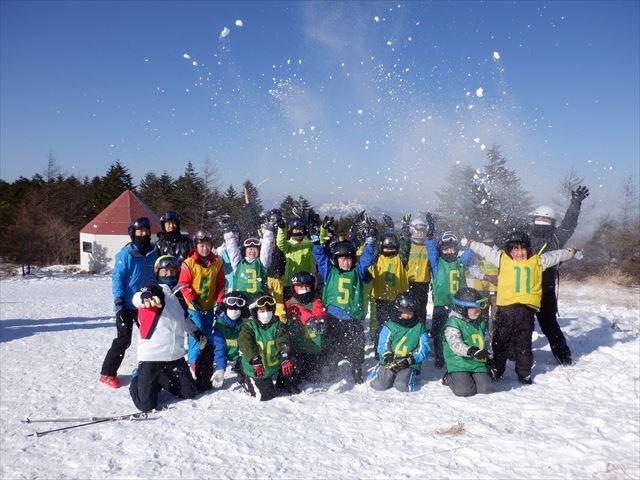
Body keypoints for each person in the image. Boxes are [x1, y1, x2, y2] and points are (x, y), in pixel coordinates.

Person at [469, 231, 580, 384]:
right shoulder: (503, 260)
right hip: (505, 310)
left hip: (525, 312)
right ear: (510, 251)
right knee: (500, 342)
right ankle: (497, 369)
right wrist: (472, 244)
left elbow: (556, 255)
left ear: (528, 249)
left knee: (523, 344)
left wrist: (572, 252)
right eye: (515, 249)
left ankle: (524, 373)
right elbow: (486, 251)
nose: (519, 253)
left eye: (522, 249)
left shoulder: (537, 261)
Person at [129, 255, 204, 411]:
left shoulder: (178, 297)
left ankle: (161, 378)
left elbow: (184, 319)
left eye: (172, 271)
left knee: (189, 392)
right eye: (164, 271)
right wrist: (144, 296)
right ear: (157, 274)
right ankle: (138, 376)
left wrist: (195, 332)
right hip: (152, 356)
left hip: (175, 357)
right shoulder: (155, 291)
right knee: (145, 405)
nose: (169, 274)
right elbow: (137, 298)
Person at [528, 185, 589, 366]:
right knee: (549, 325)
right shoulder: (556, 238)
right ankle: (563, 357)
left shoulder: (524, 236)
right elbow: (569, 224)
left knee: (523, 326)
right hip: (545, 289)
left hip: (525, 289)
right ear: (553, 222)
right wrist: (576, 202)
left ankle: (518, 356)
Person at [99, 217, 158, 389]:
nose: (144, 234)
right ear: (133, 233)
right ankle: (107, 373)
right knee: (123, 339)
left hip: (146, 303)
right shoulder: (126, 254)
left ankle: (148, 369)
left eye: (146, 231)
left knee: (150, 338)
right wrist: (119, 302)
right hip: (126, 304)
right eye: (140, 231)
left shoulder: (154, 252)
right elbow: (118, 278)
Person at [312, 233, 375, 384]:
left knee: (356, 344)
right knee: (332, 344)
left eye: (349, 259)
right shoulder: (329, 272)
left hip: (351, 317)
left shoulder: (357, 272)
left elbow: (366, 260)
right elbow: (321, 259)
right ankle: (332, 366)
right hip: (333, 317)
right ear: (336, 260)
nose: (346, 262)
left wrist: (369, 245)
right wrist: (316, 245)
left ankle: (356, 366)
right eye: (342, 259)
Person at [178, 228, 225, 392]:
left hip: (209, 305)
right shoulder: (189, 263)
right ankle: (193, 362)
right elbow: (183, 284)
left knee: (208, 334)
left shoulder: (217, 262)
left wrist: (219, 300)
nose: (204, 248)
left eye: (207, 245)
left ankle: (206, 362)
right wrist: (192, 300)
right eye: (201, 245)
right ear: (196, 246)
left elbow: (220, 284)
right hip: (194, 307)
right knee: (197, 336)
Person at [426, 216, 474, 369]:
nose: (448, 251)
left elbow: (470, 250)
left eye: (451, 248)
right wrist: (430, 234)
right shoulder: (436, 263)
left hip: (459, 305)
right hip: (441, 304)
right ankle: (440, 355)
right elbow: (430, 249)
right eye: (445, 249)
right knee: (439, 332)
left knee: (459, 330)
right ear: (441, 250)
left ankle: (457, 353)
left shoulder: (460, 262)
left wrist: (471, 234)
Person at [237, 294, 295, 401]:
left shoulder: (277, 324)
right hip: (257, 368)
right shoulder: (249, 327)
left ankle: (282, 383)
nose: (266, 313)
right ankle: (245, 378)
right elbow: (246, 343)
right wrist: (254, 358)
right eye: (262, 311)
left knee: (293, 366)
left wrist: (285, 356)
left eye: (268, 310)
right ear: (255, 312)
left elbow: (283, 340)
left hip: (274, 365)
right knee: (266, 396)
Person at [369, 292, 431, 393]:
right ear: (398, 311)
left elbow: (424, 348)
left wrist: (411, 360)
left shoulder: (419, 327)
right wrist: (387, 355)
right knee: (380, 385)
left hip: (408, 362)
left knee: (402, 386)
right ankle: (379, 371)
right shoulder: (390, 326)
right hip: (390, 360)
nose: (407, 316)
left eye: (410, 313)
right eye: (404, 313)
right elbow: (383, 344)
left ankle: (406, 376)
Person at [442, 287, 495, 397]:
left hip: (477, 362)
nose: (479, 311)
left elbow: (486, 340)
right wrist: (470, 351)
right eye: (475, 308)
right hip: (459, 362)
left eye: (479, 308)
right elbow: (455, 344)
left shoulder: (479, 321)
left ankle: (472, 377)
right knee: (465, 391)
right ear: (463, 308)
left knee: (486, 389)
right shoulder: (453, 322)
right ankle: (449, 378)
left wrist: (489, 356)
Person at [368, 227, 409, 352]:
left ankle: (395, 345)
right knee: (380, 325)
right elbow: (373, 252)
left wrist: (405, 232)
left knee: (396, 324)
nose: (389, 250)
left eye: (392, 248)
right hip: (380, 299)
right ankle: (378, 347)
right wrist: (374, 236)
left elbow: (405, 249)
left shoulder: (400, 259)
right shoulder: (377, 259)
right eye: (386, 248)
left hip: (397, 300)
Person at [285, 271, 326, 383]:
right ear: (294, 288)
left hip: (314, 349)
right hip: (296, 348)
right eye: (300, 287)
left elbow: (319, 309)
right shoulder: (290, 303)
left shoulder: (315, 301)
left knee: (317, 375)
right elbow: (298, 310)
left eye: (306, 287)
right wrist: (309, 319)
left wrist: (319, 318)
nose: (303, 290)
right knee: (297, 373)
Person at [222, 219, 274, 296]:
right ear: (245, 251)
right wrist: (228, 234)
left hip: (257, 300)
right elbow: (232, 250)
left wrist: (269, 232)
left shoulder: (262, 263)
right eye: (249, 249)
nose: (252, 251)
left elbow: (266, 250)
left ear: (259, 251)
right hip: (240, 299)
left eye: (255, 249)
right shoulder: (238, 263)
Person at [468, 228, 499, 345]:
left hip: (497, 290)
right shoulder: (477, 251)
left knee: (497, 318)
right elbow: (473, 270)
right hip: (481, 290)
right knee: (481, 317)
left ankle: (495, 340)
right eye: (485, 232)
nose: (488, 235)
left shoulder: (499, 252)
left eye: (491, 232)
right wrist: (487, 277)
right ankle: (480, 340)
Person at [211, 291, 249, 389]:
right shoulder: (220, 326)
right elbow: (219, 348)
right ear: (225, 308)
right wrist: (220, 369)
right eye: (231, 308)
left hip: (240, 357)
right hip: (226, 356)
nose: (234, 311)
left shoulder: (245, 324)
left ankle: (239, 366)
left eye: (237, 308)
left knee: (244, 378)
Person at [401, 213, 432, 329]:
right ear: (412, 230)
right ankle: (407, 330)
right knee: (407, 309)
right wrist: (404, 229)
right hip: (408, 282)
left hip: (423, 283)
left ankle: (420, 331)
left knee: (420, 310)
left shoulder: (427, 247)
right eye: (418, 229)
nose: (420, 232)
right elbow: (402, 247)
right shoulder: (408, 246)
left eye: (423, 230)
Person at [276, 216, 316, 301]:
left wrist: (322, 229)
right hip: (290, 283)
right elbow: (280, 243)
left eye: (300, 228)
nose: (298, 231)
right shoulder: (288, 245)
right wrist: (282, 229)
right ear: (292, 230)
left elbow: (321, 243)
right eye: (296, 229)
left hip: (307, 282)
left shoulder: (309, 244)